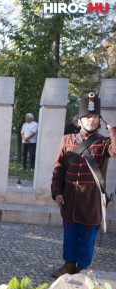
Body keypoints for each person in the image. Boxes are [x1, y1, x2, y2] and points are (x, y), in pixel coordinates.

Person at [51, 93, 116, 279]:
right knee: (70, 234)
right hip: (70, 195)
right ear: (80, 120)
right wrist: (56, 192)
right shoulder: (67, 139)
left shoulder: (104, 142)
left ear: (99, 119)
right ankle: (68, 265)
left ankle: (82, 269)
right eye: (88, 117)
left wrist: (112, 130)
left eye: (95, 117)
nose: (91, 120)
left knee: (87, 238)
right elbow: (59, 168)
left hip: (91, 198)